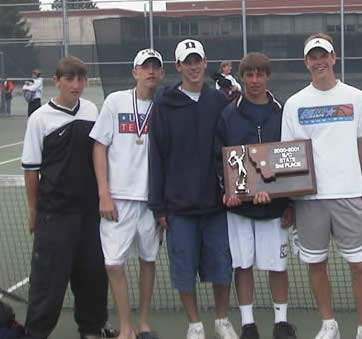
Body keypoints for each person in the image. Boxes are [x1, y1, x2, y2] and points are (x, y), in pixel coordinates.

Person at [280, 33, 362, 339]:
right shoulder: (295, 103)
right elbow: (290, 153)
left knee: (360, 265)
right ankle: (329, 324)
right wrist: (291, 199)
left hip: (349, 196)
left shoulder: (357, 98)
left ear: (334, 58)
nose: (319, 61)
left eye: (324, 55)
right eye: (313, 56)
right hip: (309, 200)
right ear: (306, 62)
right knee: (316, 263)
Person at [20, 56, 118, 339]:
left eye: (81, 79)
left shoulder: (90, 109)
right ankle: (36, 332)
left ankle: (92, 329)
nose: (76, 85)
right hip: (55, 215)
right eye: (70, 79)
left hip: (89, 214)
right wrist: (33, 210)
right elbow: (31, 171)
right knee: (48, 283)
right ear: (57, 81)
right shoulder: (39, 119)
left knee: (92, 277)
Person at [148, 39, 237, 339]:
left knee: (222, 267)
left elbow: (232, 151)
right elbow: (156, 154)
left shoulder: (220, 102)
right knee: (183, 269)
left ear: (205, 62)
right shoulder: (164, 103)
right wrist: (159, 205)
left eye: (197, 60)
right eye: (188, 61)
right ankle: (195, 324)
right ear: (178, 66)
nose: (194, 66)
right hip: (178, 207)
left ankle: (222, 320)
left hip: (217, 205)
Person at [215, 52, 297, 339]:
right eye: (249, 74)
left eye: (260, 74)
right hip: (239, 209)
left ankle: (281, 323)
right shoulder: (228, 113)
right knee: (243, 264)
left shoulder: (283, 111)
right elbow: (220, 158)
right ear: (242, 77)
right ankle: (248, 323)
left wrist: (286, 201)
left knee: (278, 265)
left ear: (268, 76)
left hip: (275, 208)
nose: (255, 80)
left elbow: (290, 159)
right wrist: (228, 191)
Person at [89, 49, 165, 339]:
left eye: (155, 68)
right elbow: (99, 146)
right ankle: (125, 327)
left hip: (151, 201)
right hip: (117, 200)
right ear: (135, 72)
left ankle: (143, 322)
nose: (151, 72)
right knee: (113, 263)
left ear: (161, 73)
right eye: (145, 67)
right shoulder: (115, 102)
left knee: (149, 260)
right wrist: (103, 193)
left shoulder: (165, 106)